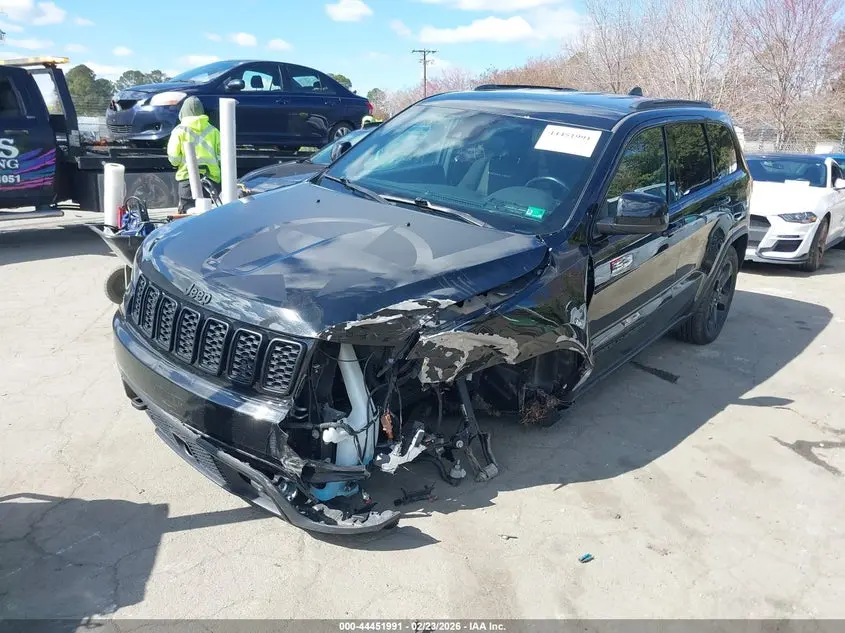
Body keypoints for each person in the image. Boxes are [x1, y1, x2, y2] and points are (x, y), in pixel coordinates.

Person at [167, 97, 221, 213]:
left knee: (187, 212)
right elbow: (222, 156)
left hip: (187, 180)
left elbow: (174, 158)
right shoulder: (214, 131)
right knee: (210, 213)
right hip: (211, 180)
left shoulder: (179, 131)